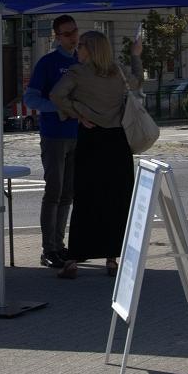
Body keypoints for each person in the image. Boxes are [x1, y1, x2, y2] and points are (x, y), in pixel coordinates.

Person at [50, 30, 143, 279]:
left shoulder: (77, 73)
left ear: (90, 50)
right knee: (116, 201)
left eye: (81, 46)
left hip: (92, 140)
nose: (77, 50)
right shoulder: (119, 71)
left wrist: (76, 112)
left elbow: (56, 95)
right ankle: (112, 259)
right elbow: (138, 81)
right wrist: (136, 55)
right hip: (117, 142)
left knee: (86, 200)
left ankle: (73, 259)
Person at [23, 15, 80, 269]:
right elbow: (31, 100)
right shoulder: (47, 63)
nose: (73, 37)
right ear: (57, 36)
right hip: (54, 135)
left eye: (74, 32)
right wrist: (55, 109)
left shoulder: (82, 60)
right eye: (67, 34)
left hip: (78, 134)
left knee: (68, 192)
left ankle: (60, 244)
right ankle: (49, 249)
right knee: (54, 191)